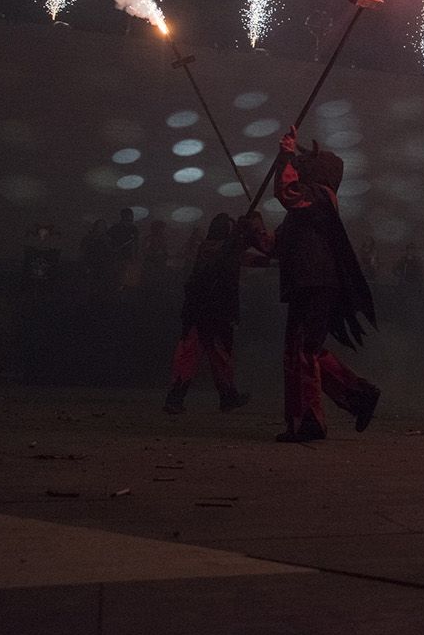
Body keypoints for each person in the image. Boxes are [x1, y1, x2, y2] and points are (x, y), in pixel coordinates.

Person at [248, 128, 381, 443]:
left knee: (304, 351)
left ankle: (314, 420)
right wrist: (253, 230)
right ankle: (356, 396)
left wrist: (286, 156)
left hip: (316, 282)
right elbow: (273, 246)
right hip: (306, 283)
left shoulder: (320, 196)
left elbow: (286, 192)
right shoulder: (304, 209)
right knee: (300, 352)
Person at [163, 213, 253, 414]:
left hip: (203, 310)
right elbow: (232, 252)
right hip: (212, 310)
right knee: (202, 353)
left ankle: (226, 396)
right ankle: (180, 398)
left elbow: (240, 253)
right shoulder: (216, 249)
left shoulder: (213, 249)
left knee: (210, 354)